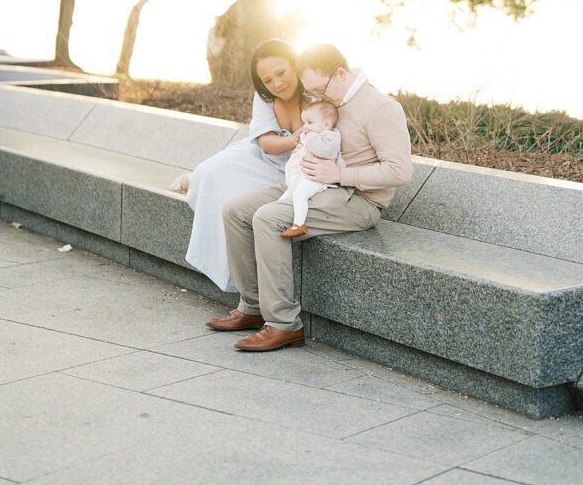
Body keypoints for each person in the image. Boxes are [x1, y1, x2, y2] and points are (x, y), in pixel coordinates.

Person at [208, 43, 412, 351]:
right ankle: (252, 307)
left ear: (341, 73)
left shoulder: (381, 108)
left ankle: (283, 324)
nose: (318, 98)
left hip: (356, 199)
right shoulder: (333, 98)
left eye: (320, 90)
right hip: (307, 184)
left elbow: (400, 172)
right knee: (235, 210)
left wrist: (339, 175)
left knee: (268, 217)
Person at [174, 39, 303, 293]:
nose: (276, 83)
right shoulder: (265, 97)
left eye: (281, 73)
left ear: (294, 64)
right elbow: (266, 142)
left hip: (291, 169)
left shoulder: (312, 91)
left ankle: (193, 180)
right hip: (263, 154)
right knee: (209, 172)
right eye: (267, 80)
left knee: (229, 196)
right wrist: (295, 139)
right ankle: (191, 180)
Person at [278, 98, 344, 239]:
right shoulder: (313, 135)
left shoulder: (331, 136)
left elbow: (323, 151)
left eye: (310, 123)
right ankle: (279, 220)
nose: (305, 127)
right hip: (303, 177)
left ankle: (299, 224)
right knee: (282, 201)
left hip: (317, 179)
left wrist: (310, 136)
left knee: (299, 194)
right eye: (304, 123)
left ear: (326, 124)